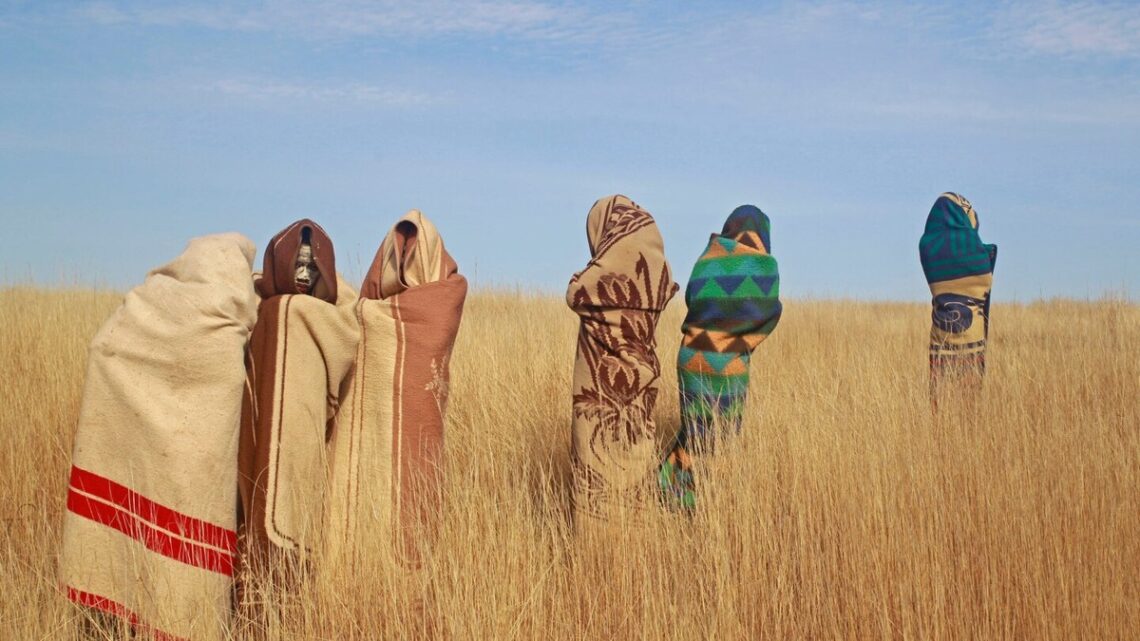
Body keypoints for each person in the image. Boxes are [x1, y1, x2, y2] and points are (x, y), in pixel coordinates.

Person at [237, 219, 359, 612]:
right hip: (254, 431)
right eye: (298, 264)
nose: (304, 274)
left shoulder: (333, 314)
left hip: (304, 441)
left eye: (312, 266)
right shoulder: (257, 307)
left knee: (296, 522)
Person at [659, 205, 782, 510]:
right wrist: (740, 338)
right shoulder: (763, 266)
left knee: (694, 434)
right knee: (719, 444)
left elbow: (692, 299)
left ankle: (670, 494)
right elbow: (769, 314)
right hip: (729, 363)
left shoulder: (708, 257)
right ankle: (696, 507)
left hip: (691, 355)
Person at [566, 194, 677, 525]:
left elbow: (576, 293)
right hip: (641, 385)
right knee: (634, 457)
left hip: (601, 392)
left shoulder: (603, 275)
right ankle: (632, 548)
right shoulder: (658, 271)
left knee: (597, 465)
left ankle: (600, 553)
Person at [919, 193, 998, 407]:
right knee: (969, 402)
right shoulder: (971, 246)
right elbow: (984, 273)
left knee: (941, 398)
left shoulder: (927, 246)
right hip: (972, 337)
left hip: (940, 339)